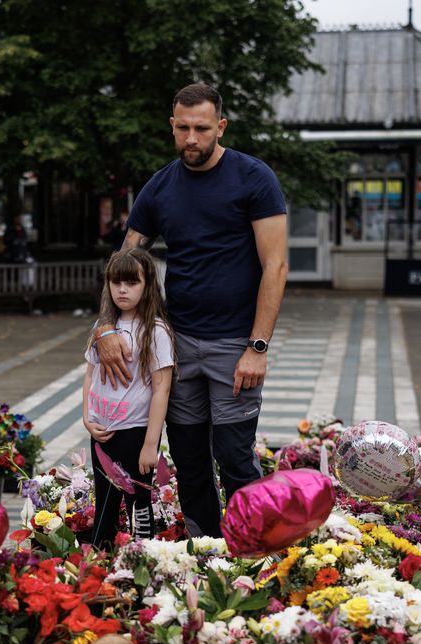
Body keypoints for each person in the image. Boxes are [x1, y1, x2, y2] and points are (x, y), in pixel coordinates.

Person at [95, 83, 288, 538]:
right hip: (175, 346)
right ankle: (207, 550)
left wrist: (257, 346)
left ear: (220, 126)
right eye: (183, 129)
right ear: (172, 126)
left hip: (233, 345)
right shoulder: (160, 187)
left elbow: (275, 266)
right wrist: (105, 327)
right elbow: (124, 264)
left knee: (235, 456)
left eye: (202, 128)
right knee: (189, 458)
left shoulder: (253, 178)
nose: (192, 139)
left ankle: (254, 553)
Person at [82, 248, 175, 550]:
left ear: (147, 284)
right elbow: (90, 375)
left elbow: (162, 389)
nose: (122, 289)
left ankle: (143, 563)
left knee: (140, 507)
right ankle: (101, 567)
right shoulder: (102, 329)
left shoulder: (155, 331)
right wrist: (87, 417)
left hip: (134, 432)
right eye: (116, 282)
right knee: (105, 507)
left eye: (132, 283)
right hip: (102, 432)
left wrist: (151, 444)